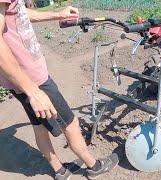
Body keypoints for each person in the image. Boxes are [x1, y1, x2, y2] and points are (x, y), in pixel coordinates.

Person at [0, 1, 119, 179]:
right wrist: (33, 91)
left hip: (20, 80)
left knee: (39, 126)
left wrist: (59, 14)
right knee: (70, 123)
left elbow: (19, 13)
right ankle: (94, 166)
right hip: (33, 81)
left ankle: (59, 171)